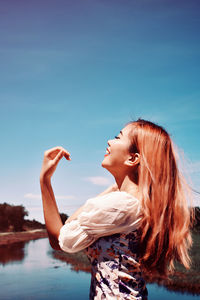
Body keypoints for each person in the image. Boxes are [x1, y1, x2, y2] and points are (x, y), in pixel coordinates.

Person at [40, 119, 193, 300]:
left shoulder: (121, 205)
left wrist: (45, 180)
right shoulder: (135, 204)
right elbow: (70, 227)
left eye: (117, 137)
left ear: (133, 158)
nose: (109, 142)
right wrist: (114, 187)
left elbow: (60, 239)